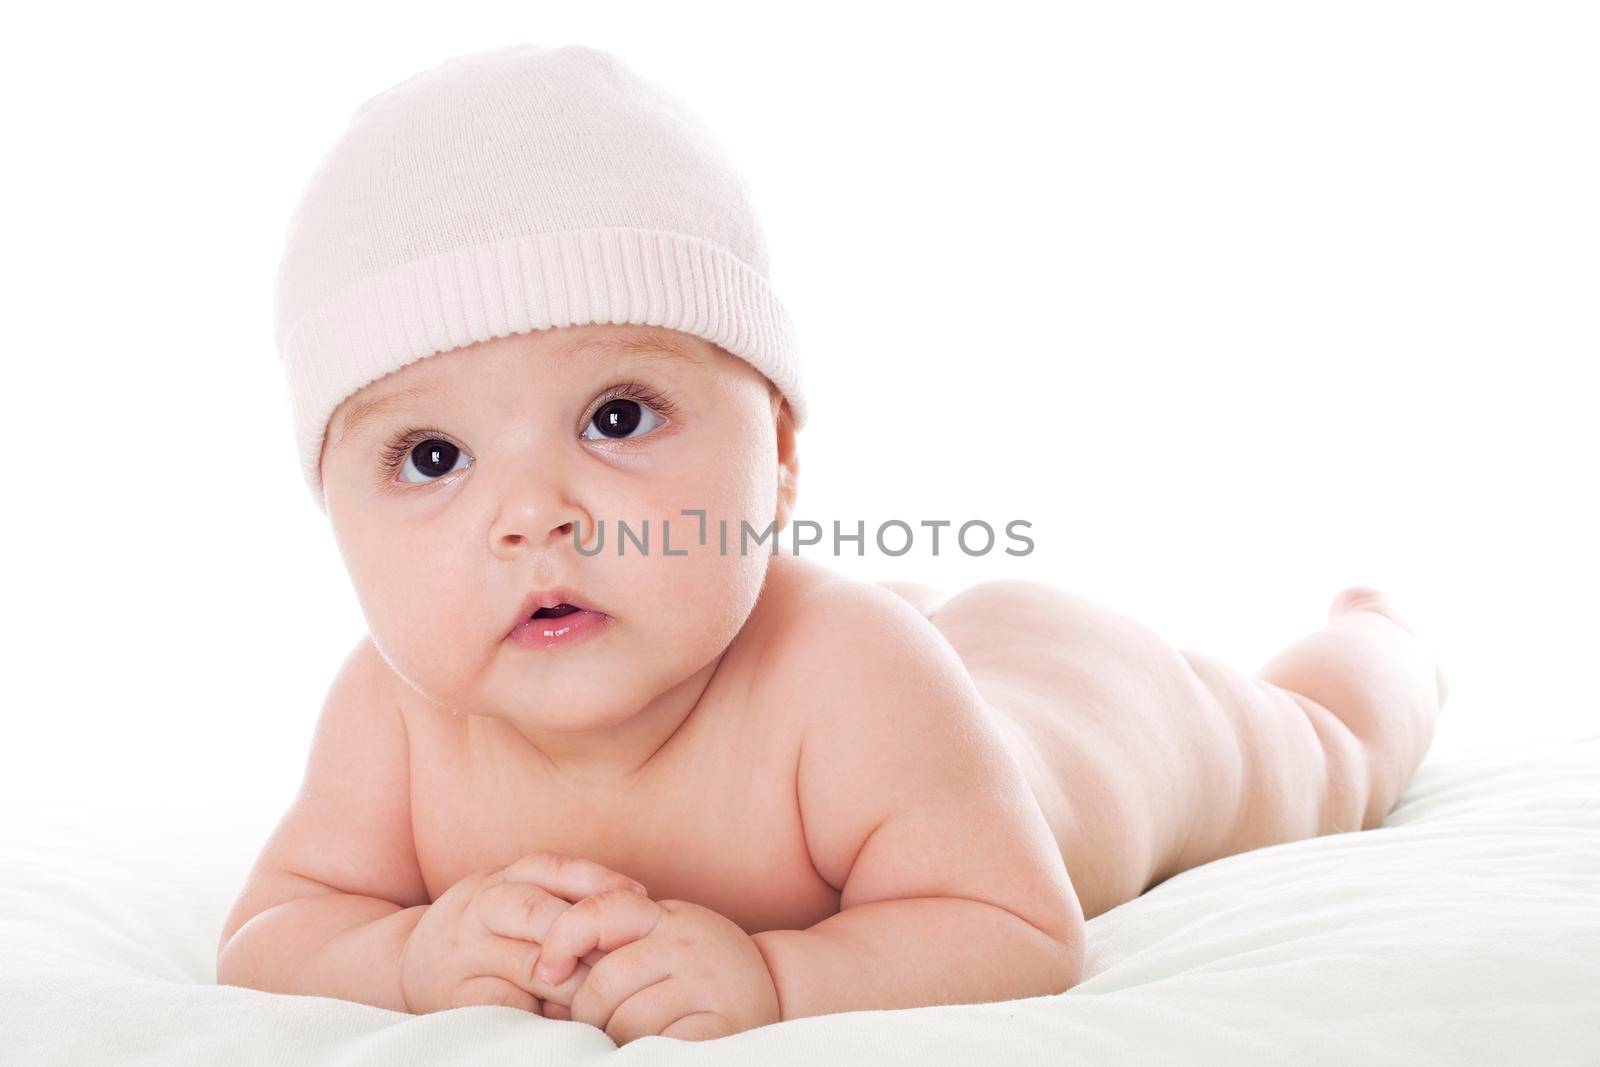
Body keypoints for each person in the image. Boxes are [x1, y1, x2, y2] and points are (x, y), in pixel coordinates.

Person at [217, 43, 1447, 1045]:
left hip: (1074, 701)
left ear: (781, 457)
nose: (532, 514)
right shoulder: (392, 712)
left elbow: (1014, 924)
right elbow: (272, 929)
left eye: (617, 416)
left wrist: (779, 979)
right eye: (431, 457)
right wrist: (412, 951)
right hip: (882, 663)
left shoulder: (844, 674)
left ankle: (1378, 647)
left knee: (1313, 759)